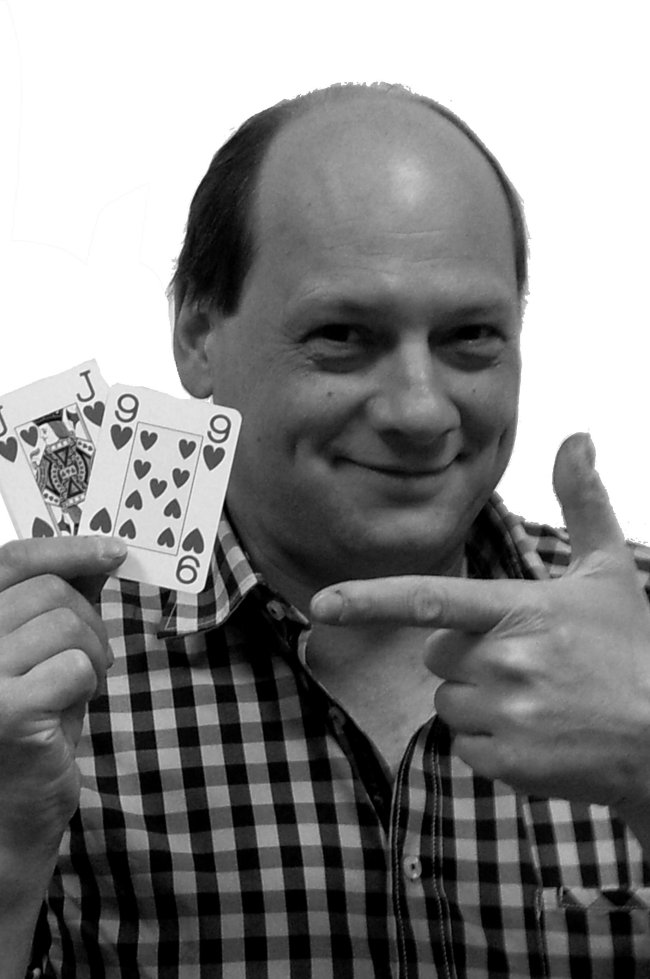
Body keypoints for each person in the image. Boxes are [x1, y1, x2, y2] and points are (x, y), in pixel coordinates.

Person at [3, 82, 650, 977]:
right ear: (198, 336)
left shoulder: (641, 639)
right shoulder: (36, 682)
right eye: (343, 334)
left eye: (472, 335)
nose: (422, 411)